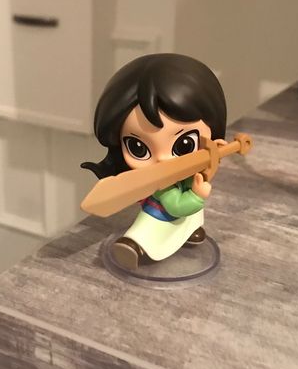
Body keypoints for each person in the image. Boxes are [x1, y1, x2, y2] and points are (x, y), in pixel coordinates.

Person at [81, 53, 228, 270]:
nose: (161, 159)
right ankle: (135, 246)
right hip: (163, 212)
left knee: (192, 218)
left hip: (185, 202)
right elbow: (176, 207)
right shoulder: (164, 186)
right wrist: (196, 196)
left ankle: (192, 231)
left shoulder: (195, 166)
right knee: (146, 231)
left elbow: (208, 164)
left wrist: (214, 155)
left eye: (184, 145)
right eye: (138, 148)